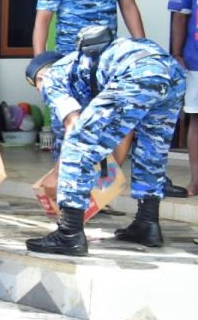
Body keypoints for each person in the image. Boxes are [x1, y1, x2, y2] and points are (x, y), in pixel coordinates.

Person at [24, 31, 186, 256]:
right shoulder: (89, 69)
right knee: (152, 149)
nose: (41, 92)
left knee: (77, 144)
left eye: (36, 86)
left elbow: (75, 128)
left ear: (39, 78)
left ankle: (69, 235)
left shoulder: (52, 77)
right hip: (170, 71)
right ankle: (147, 223)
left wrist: (57, 175)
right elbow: (122, 129)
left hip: (138, 71)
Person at [168, 0, 198, 196]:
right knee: (196, 119)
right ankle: (196, 181)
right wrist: (177, 53)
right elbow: (180, 16)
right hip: (195, 60)